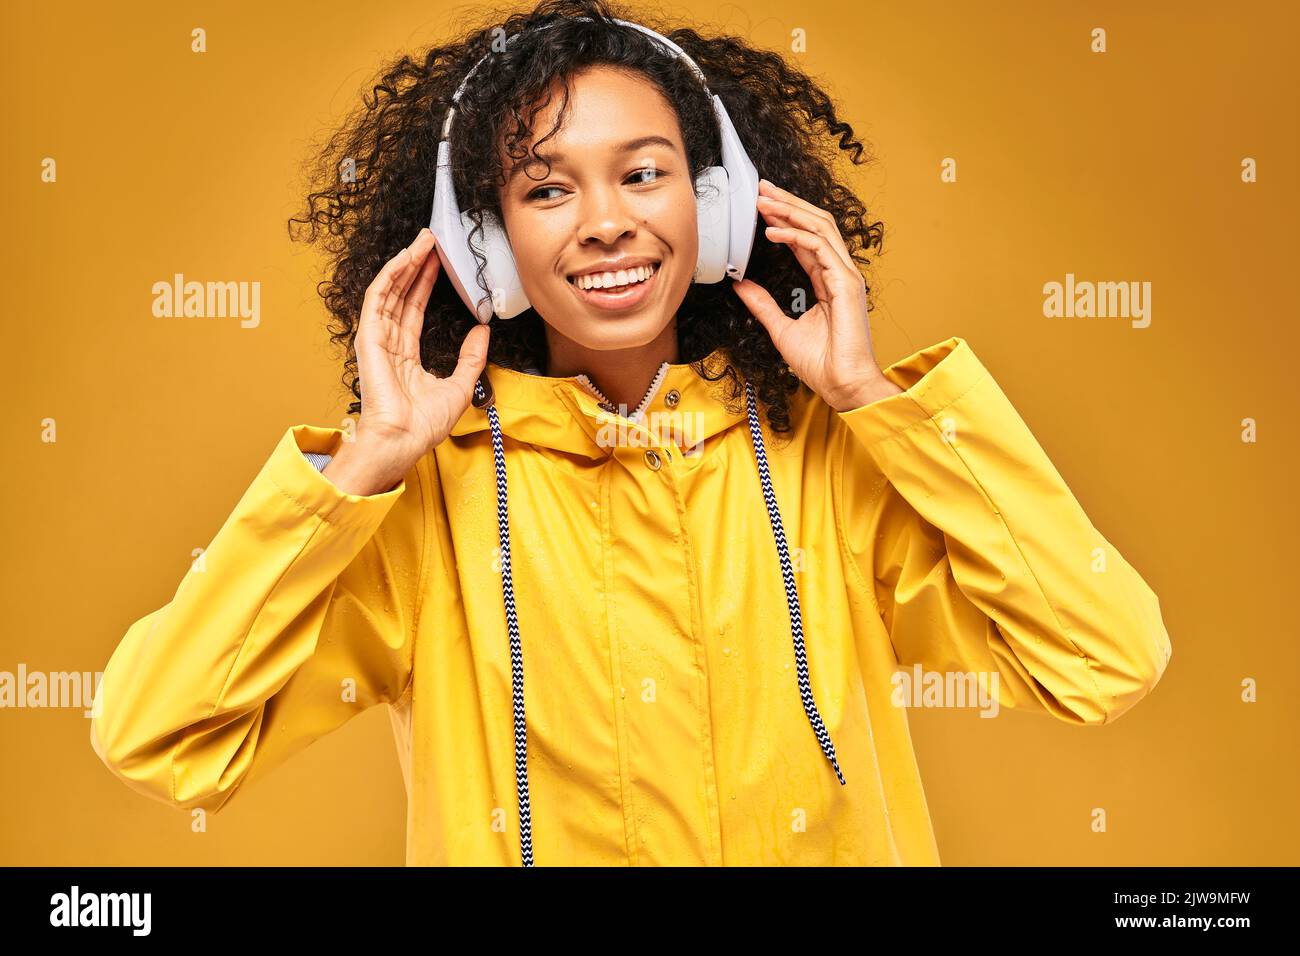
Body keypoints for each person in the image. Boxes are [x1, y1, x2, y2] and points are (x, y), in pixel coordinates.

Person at [89, 0, 1172, 866]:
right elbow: (158, 733)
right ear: (485, 244)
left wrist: (874, 401)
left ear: (718, 203)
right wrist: (359, 465)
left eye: (643, 172)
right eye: (545, 187)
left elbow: (1102, 659)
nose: (606, 218)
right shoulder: (425, 504)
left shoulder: (832, 461)